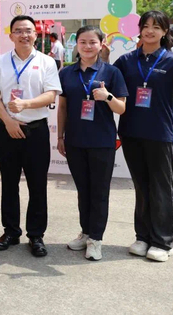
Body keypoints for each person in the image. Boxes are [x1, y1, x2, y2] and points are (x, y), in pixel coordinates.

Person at [114, 11, 173, 262]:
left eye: (156, 26)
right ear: (140, 29)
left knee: (161, 188)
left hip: (160, 133)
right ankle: (143, 237)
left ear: (165, 31)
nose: (150, 30)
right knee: (142, 186)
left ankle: (163, 242)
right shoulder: (126, 60)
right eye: (146, 26)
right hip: (131, 132)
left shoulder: (172, 61)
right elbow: (108, 83)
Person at [0, 15, 61, 257]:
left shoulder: (46, 62)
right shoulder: (0, 62)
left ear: (36, 34)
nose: (24, 35)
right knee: (9, 184)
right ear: (11, 36)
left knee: (37, 185)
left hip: (36, 131)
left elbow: (51, 95)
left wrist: (26, 104)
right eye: (19, 30)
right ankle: (10, 232)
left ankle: (36, 235)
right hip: (7, 130)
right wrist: (8, 121)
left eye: (28, 30)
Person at [57, 26, 128, 261]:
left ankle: (96, 239)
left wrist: (108, 97)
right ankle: (85, 232)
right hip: (75, 141)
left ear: (101, 44)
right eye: (83, 42)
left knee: (99, 191)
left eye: (92, 42)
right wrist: (60, 137)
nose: (87, 46)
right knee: (83, 190)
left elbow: (122, 108)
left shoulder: (112, 72)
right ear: (76, 44)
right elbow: (63, 107)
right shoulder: (67, 73)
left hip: (102, 141)